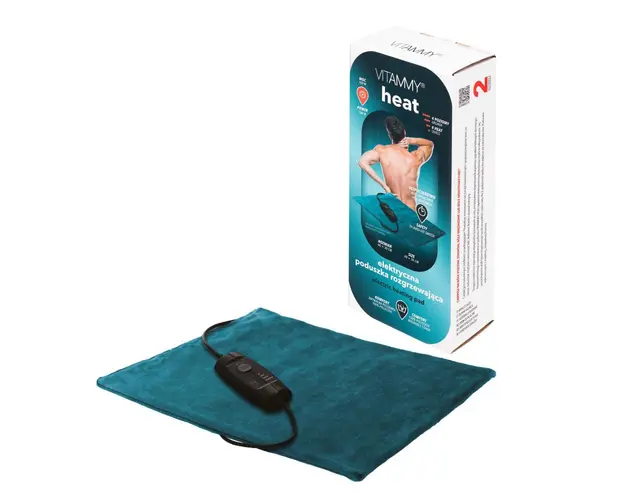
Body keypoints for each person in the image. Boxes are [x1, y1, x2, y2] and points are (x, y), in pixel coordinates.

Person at [358, 116, 434, 211]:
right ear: (404, 133)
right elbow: (430, 144)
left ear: (389, 135)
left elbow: (362, 162)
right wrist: (411, 140)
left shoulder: (382, 151)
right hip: (410, 211)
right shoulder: (416, 157)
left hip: (393, 210)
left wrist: (384, 186)